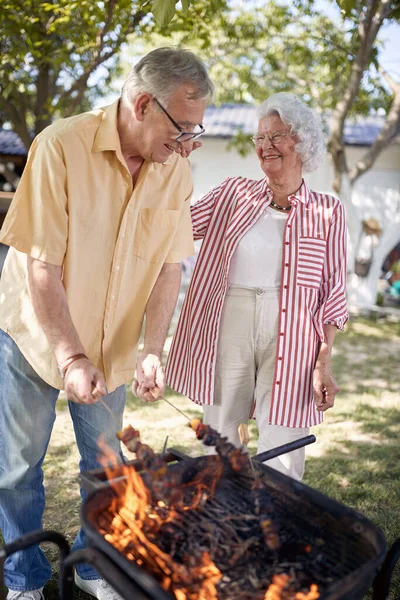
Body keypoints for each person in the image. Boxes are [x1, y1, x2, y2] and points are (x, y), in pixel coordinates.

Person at [0, 47, 213, 599]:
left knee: (109, 469)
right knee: (18, 468)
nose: (188, 143)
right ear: (143, 104)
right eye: (183, 128)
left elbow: (169, 268)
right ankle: (24, 581)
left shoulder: (176, 170)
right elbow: (39, 265)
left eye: (197, 131)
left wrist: (151, 349)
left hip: (114, 346)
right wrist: (71, 356)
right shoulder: (59, 146)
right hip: (37, 339)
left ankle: (93, 569)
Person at [167, 92, 348, 482]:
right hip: (231, 316)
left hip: (296, 331)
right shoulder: (234, 193)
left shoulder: (328, 211)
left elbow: (333, 292)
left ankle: (279, 518)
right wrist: (170, 169)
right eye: (260, 138)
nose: (266, 147)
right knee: (220, 429)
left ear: (301, 141)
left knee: (283, 435)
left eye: (276, 136)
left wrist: (323, 361)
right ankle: (221, 514)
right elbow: (173, 226)